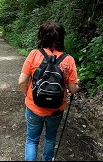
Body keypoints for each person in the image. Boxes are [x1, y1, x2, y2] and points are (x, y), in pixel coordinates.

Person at [18, 21, 80, 161]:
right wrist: (78, 86)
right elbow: (72, 89)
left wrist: (28, 95)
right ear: (61, 38)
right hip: (56, 109)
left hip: (34, 107)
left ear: (42, 36)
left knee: (32, 140)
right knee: (50, 138)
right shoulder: (68, 60)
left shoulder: (34, 54)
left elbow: (22, 81)